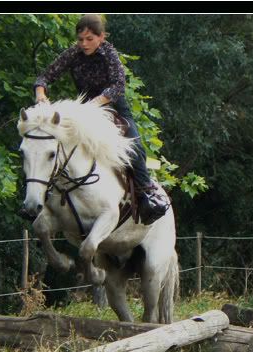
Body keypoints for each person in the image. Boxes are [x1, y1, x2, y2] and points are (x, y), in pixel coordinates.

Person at [33, 14, 170, 225]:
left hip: (113, 108)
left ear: (101, 37)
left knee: (134, 147)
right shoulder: (73, 53)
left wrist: (96, 103)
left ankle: (146, 196)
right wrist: (41, 94)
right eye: (80, 39)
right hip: (84, 111)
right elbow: (45, 76)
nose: (84, 44)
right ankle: (40, 193)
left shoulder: (109, 53)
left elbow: (118, 85)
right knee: (51, 144)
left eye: (89, 39)